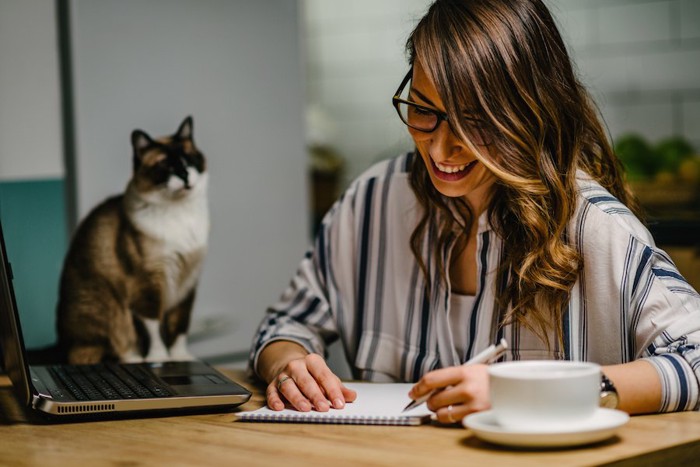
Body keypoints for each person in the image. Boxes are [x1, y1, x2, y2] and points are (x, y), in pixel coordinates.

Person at [248, 0, 700, 423]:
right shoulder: (369, 203)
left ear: (528, 113)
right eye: (424, 111)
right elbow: (287, 324)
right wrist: (289, 365)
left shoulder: (595, 227)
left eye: (477, 122)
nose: (442, 148)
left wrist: (539, 392)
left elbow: (695, 358)